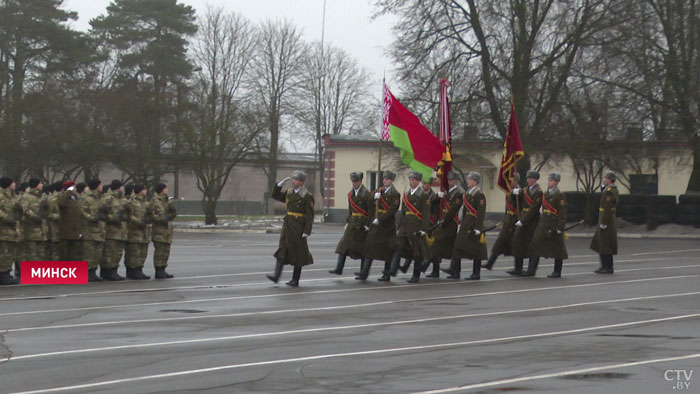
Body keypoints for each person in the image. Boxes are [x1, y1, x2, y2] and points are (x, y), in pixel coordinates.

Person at [267, 170, 314, 287]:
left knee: (298, 253)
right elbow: (275, 196)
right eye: (293, 179)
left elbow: (309, 215)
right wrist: (278, 186)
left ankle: (295, 279)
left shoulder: (307, 196)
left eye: (296, 179)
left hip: (298, 226)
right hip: (288, 225)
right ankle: (276, 276)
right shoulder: (289, 193)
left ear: (302, 182)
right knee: (282, 249)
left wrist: (307, 230)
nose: (294, 181)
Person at [355, 171, 401, 281]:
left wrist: (379, 219)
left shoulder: (395, 194)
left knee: (387, 250)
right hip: (376, 225)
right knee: (370, 247)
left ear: (392, 180)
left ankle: (387, 274)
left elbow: (392, 210)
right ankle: (364, 272)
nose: (385, 181)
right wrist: (374, 197)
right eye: (384, 179)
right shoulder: (379, 191)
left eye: (388, 179)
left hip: (387, 225)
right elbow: (368, 200)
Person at [390, 172, 431, 283]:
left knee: (417, 252)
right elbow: (403, 211)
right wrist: (399, 225)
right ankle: (393, 268)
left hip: (416, 226)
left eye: (413, 180)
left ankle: (416, 275)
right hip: (405, 225)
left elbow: (426, 214)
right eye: (410, 180)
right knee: (397, 244)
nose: (411, 182)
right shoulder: (407, 194)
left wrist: (423, 228)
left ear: (418, 181)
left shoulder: (423, 195)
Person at [330, 172, 373, 275]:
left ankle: (363, 272)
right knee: (343, 246)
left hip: (362, 225)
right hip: (352, 224)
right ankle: (339, 268)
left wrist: (368, 224)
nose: (354, 183)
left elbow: (371, 211)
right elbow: (350, 210)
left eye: (356, 181)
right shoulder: (350, 194)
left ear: (360, 181)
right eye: (353, 181)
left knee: (363, 249)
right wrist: (347, 221)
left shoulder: (367, 194)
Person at [446, 172, 487, 280]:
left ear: (475, 182)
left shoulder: (479, 194)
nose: (468, 181)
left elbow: (481, 212)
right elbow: (465, 210)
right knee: (457, 247)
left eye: (470, 180)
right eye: (468, 179)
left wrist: (478, 228)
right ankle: (455, 271)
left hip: (473, 224)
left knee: (476, 250)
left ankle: (476, 273)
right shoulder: (468, 194)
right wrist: (461, 222)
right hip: (466, 224)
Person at [526, 173, 568, 278]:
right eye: (549, 180)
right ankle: (531, 270)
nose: (549, 182)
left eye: (551, 180)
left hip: (553, 224)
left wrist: (560, 227)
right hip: (543, 223)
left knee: (558, 249)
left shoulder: (559, 195)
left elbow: (562, 213)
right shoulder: (545, 194)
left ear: (557, 182)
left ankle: (557, 271)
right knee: (534, 245)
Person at [424, 171, 463, 278]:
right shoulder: (445, 192)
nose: (449, 182)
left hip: (451, 223)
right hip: (442, 222)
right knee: (446, 246)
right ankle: (437, 270)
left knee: (442, 244)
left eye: (451, 180)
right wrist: (438, 196)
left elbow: (453, 210)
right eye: (448, 180)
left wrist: (443, 220)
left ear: (456, 181)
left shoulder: (458, 194)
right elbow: (432, 203)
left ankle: (427, 264)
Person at [483, 174, 521, 270]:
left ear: (516, 182)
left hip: (516, 223)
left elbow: (521, 206)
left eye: (511, 181)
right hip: (507, 223)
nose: (509, 183)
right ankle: (490, 263)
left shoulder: (520, 192)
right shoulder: (509, 191)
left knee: (517, 246)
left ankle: (518, 268)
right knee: (498, 243)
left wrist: (517, 195)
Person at [509, 170, 543, 275]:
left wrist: (523, 221)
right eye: (528, 178)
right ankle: (518, 268)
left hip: (532, 221)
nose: (529, 180)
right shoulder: (524, 190)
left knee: (532, 245)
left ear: (536, 179)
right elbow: (516, 202)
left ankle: (531, 269)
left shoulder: (539, 192)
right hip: (522, 218)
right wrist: (514, 194)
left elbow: (534, 208)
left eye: (531, 178)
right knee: (518, 242)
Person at [19, 178, 48, 277]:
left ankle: (38, 273)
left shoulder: (42, 196)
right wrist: (35, 217)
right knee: (31, 252)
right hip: (30, 228)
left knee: (40, 253)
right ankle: (29, 273)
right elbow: (24, 209)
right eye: (40, 183)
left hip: (41, 229)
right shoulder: (26, 197)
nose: (42, 185)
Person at [591, 171, 619, 274]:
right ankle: (603, 265)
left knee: (606, 244)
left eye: (606, 178)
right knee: (601, 244)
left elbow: (607, 209)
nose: (604, 180)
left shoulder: (610, 191)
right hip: (603, 218)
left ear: (610, 179)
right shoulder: (607, 190)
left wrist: (604, 222)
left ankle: (608, 267)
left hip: (606, 220)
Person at [101, 180, 128, 281]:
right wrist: (113, 218)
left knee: (118, 253)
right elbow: (103, 213)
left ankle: (114, 271)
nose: (123, 188)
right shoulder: (108, 198)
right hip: (111, 230)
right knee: (109, 253)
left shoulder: (122, 199)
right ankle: (108, 272)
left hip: (121, 230)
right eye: (122, 186)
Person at [81, 179, 107, 282]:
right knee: (89, 253)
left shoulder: (101, 198)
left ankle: (93, 272)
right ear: (96, 186)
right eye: (100, 184)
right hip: (90, 230)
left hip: (100, 230)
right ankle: (87, 272)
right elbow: (82, 212)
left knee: (97, 254)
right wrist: (92, 218)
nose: (101, 186)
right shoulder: (86, 199)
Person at [149, 182, 176, 279]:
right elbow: (151, 215)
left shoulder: (166, 201)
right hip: (159, 230)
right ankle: (158, 270)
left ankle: (163, 269)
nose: (167, 190)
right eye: (165, 188)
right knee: (159, 252)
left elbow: (171, 214)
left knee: (165, 251)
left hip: (167, 231)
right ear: (161, 189)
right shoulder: (155, 201)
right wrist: (161, 219)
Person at [126, 184, 151, 280]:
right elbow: (129, 215)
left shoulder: (146, 203)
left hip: (145, 231)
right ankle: (133, 270)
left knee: (142, 253)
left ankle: (139, 270)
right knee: (134, 253)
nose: (146, 190)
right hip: (135, 231)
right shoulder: (132, 202)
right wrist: (138, 222)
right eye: (144, 189)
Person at [0, 177, 20, 285]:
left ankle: (7, 274)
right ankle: (2, 276)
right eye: (13, 182)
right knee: (3, 254)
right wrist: (7, 219)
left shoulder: (12, 196)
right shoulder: (1, 195)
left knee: (10, 255)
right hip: (3, 231)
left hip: (12, 231)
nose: (14, 184)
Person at [57, 180, 83, 262]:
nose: (75, 189)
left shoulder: (75, 198)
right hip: (66, 231)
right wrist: (67, 192)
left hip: (75, 230)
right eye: (74, 188)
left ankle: (73, 273)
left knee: (74, 255)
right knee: (64, 255)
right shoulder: (63, 197)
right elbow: (61, 204)